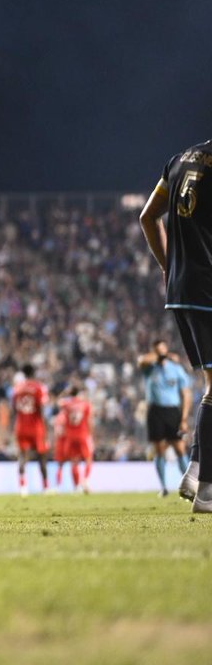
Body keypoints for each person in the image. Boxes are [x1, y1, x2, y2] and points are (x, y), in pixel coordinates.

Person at [140, 143, 212, 511]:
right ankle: (205, 485)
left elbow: (147, 217)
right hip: (207, 287)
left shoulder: (179, 159)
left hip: (181, 290)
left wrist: (167, 267)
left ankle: (197, 472)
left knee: (211, 386)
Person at [136, 340, 192, 497]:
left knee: (180, 448)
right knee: (159, 449)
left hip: (173, 411)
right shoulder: (149, 368)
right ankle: (164, 487)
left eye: (162, 349)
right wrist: (161, 355)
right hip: (155, 411)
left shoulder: (176, 369)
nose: (160, 352)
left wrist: (184, 418)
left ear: (167, 348)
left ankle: (187, 485)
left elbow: (186, 394)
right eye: (157, 350)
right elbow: (141, 360)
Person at [11, 364, 50, 496]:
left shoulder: (17, 388)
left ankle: (23, 487)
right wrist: (44, 425)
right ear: (34, 373)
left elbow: (14, 409)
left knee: (22, 456)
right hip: (35, 426)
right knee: (42, 456)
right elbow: (41, 407)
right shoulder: (39, 387)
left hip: (21, 426)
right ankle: (45, 487)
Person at [54, 384, 94, 493]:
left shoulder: (66, 404)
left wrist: (65, 393)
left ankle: (76, 487)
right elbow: (89, 421)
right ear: (79, 393)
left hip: (70, 436)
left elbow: (57, 402)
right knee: (88, 459)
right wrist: (91, 434)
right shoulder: (85, 404)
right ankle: (85, 480)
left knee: (74, 462)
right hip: (83, 435)